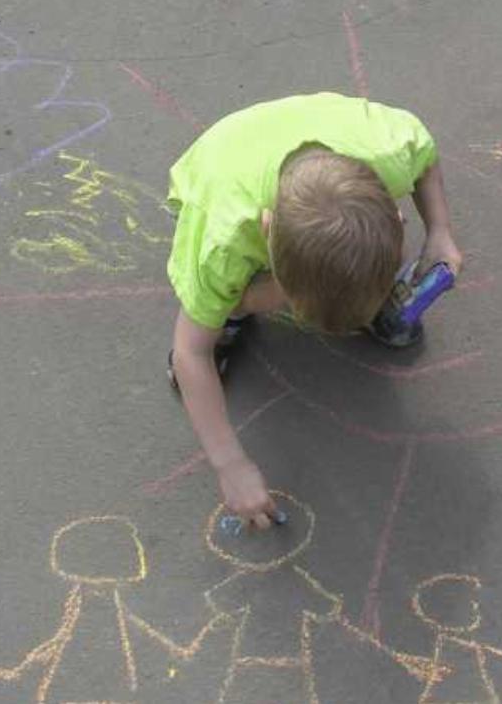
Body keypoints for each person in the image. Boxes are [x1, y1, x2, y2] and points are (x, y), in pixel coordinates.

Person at [166, 93, 462, 525]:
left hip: (325, 141)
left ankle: (345, 289)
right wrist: (229, 464)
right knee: (224, 302)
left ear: (394, 216)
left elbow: (427, 154)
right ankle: (238, 312)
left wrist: (440, 232)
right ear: (267, 232)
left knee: (337, 261)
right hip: (223, 161)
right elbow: (189, 352)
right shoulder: (223, 240)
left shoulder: (390, 152)